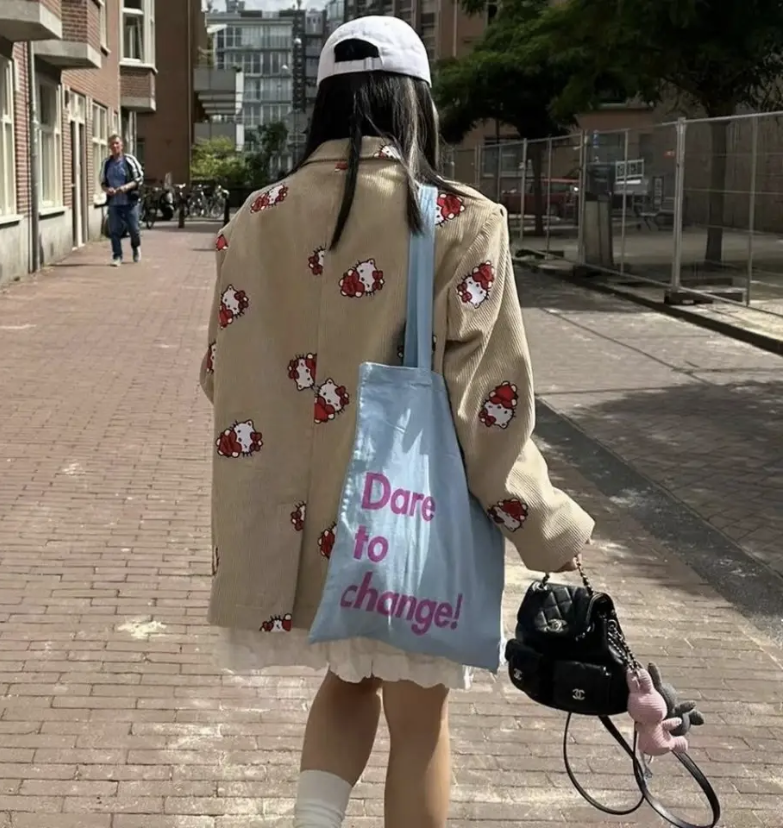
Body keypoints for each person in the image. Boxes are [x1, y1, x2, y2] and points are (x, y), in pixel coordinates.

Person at [199, 16, 594, 828]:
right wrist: (546, 524)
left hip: (303, 537)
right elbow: (487, 407)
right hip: (409, 526)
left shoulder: (256, 214)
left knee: (348, 680)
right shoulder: (458, 219)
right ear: (417, 105)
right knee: (420, 719)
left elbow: (219, 373)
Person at [100, 134, 144, 266]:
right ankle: (117, 256)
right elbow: (102, 182)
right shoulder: (106, 163)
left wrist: (126, 187)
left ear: (122, 145)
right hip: (114, 203)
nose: (115, 146)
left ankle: (135, 247)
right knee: (114, 231)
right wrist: (107, 189)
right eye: (112, 144)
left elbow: (139, 178)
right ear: (109, 146)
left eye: (117, 143)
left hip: (129, 202)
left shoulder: (129, 160)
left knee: (134, 229)